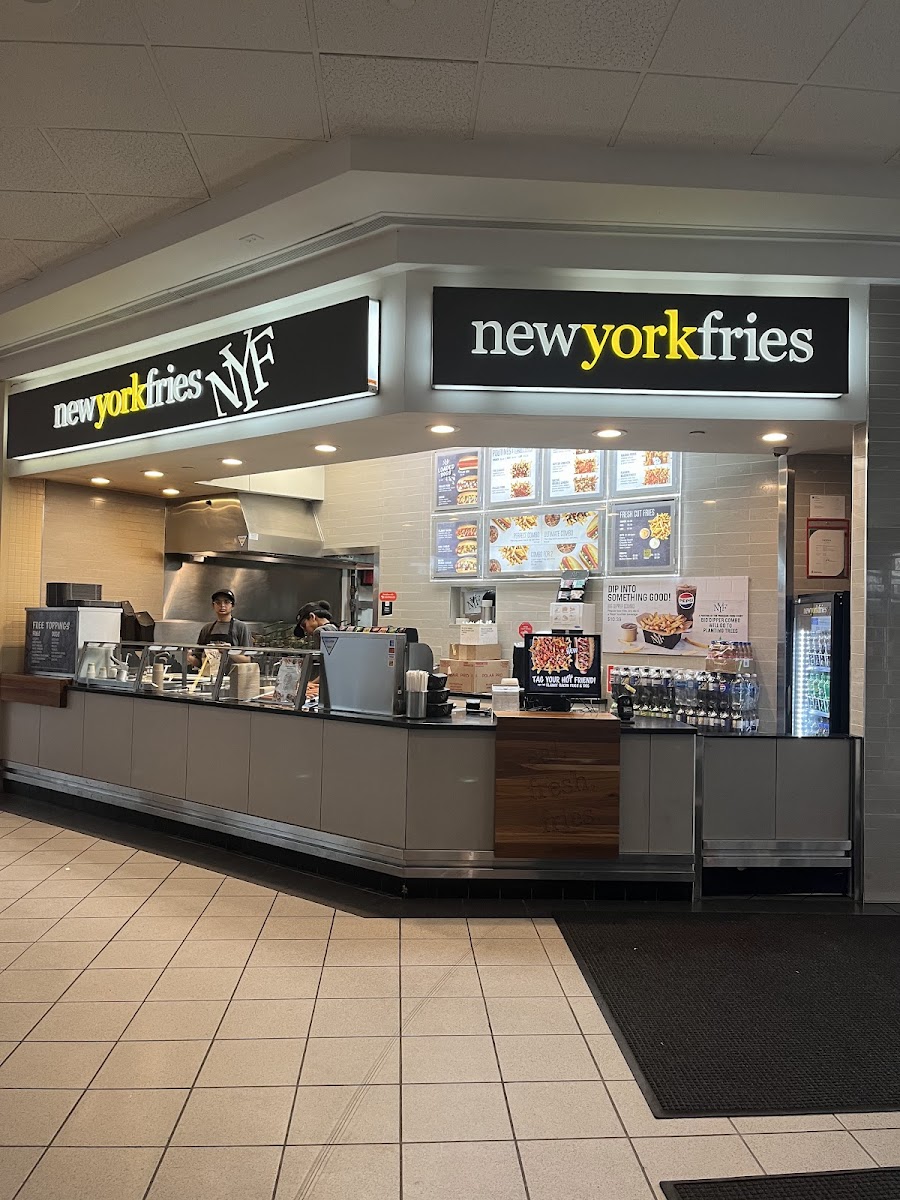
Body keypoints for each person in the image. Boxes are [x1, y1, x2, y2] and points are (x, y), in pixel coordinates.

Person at [188, 589, 253, 667]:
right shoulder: (207, 629)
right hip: (209, 677)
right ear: (213, 606)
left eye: (226, 602)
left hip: (232, 677)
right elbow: (200, 662)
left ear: (232, 606)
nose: (222, 605)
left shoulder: (241, 627)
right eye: (218, 602)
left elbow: (248, 660)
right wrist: (189, 658)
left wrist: (227, 652)